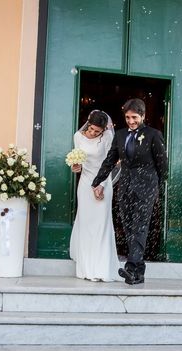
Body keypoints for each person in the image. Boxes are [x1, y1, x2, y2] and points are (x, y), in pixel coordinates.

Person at [91, 98, 168, 285]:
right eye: (127, 117)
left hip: (146, 189)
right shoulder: (120, 135)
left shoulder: (153, 135)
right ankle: (138, 273)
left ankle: (131, 268)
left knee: (140, 227)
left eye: (134, 117)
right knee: (128, 228)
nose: (131, 121)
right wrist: (97, 181)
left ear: (143, 115)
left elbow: (163, 166)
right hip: (125, 188)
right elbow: (110, 161)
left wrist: (154, 187)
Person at [68, 110, 120, 282]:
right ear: (87, 123)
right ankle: (85, 268)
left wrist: (101, 185)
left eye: (97, 131)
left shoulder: (106, 138)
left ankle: (101, 268)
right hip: (84, 184)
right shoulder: (78, 136)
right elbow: (79, 161)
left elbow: (109, 162)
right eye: (91, 129)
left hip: (103, 183)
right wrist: (75, 167)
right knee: (86, 223)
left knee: (101, 225)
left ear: (104, 130)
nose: (93, 133)